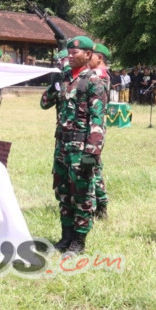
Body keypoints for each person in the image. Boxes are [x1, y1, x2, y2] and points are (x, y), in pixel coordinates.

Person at [50, 36, 107, 254]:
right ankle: (65, 237)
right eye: (69, 53)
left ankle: (79, 241)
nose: (71, 56)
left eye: (76, 53)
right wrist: (53, 82)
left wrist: (92, 152)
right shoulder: (64, 78)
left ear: (88, 55)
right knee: (63, 192)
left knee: (81, 195)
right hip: (62, 146)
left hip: (81, 147)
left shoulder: (93, 81)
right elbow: (45, 103)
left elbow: (97, 120)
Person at [89, 43, 111, 220]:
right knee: (93, 167)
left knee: (93, 167)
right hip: (91, 126)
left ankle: (100, 205)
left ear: (99, 58)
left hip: (94, 128)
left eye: (90, 55)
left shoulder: (100, 76)